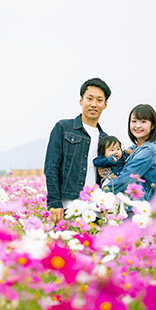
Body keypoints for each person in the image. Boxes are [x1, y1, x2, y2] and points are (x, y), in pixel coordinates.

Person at [44, 78, 111, 224]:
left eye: (99, 100)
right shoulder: (63, 128)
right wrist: (54, 203)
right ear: (81, 100)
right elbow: (51, 167)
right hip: (67, 207)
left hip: (94, 212)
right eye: (89, 98)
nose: (94, 104)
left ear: (105, 104)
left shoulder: (106, 139)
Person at [102, 103, 156, 202]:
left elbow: (126, 179)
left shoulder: (148, 150)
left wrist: (99, 195)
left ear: (152, 125)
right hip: (135, 205)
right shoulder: (133, 149)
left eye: (143, 121)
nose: (137, 126)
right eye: (134, 121)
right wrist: (104, 170)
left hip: (148, 207)